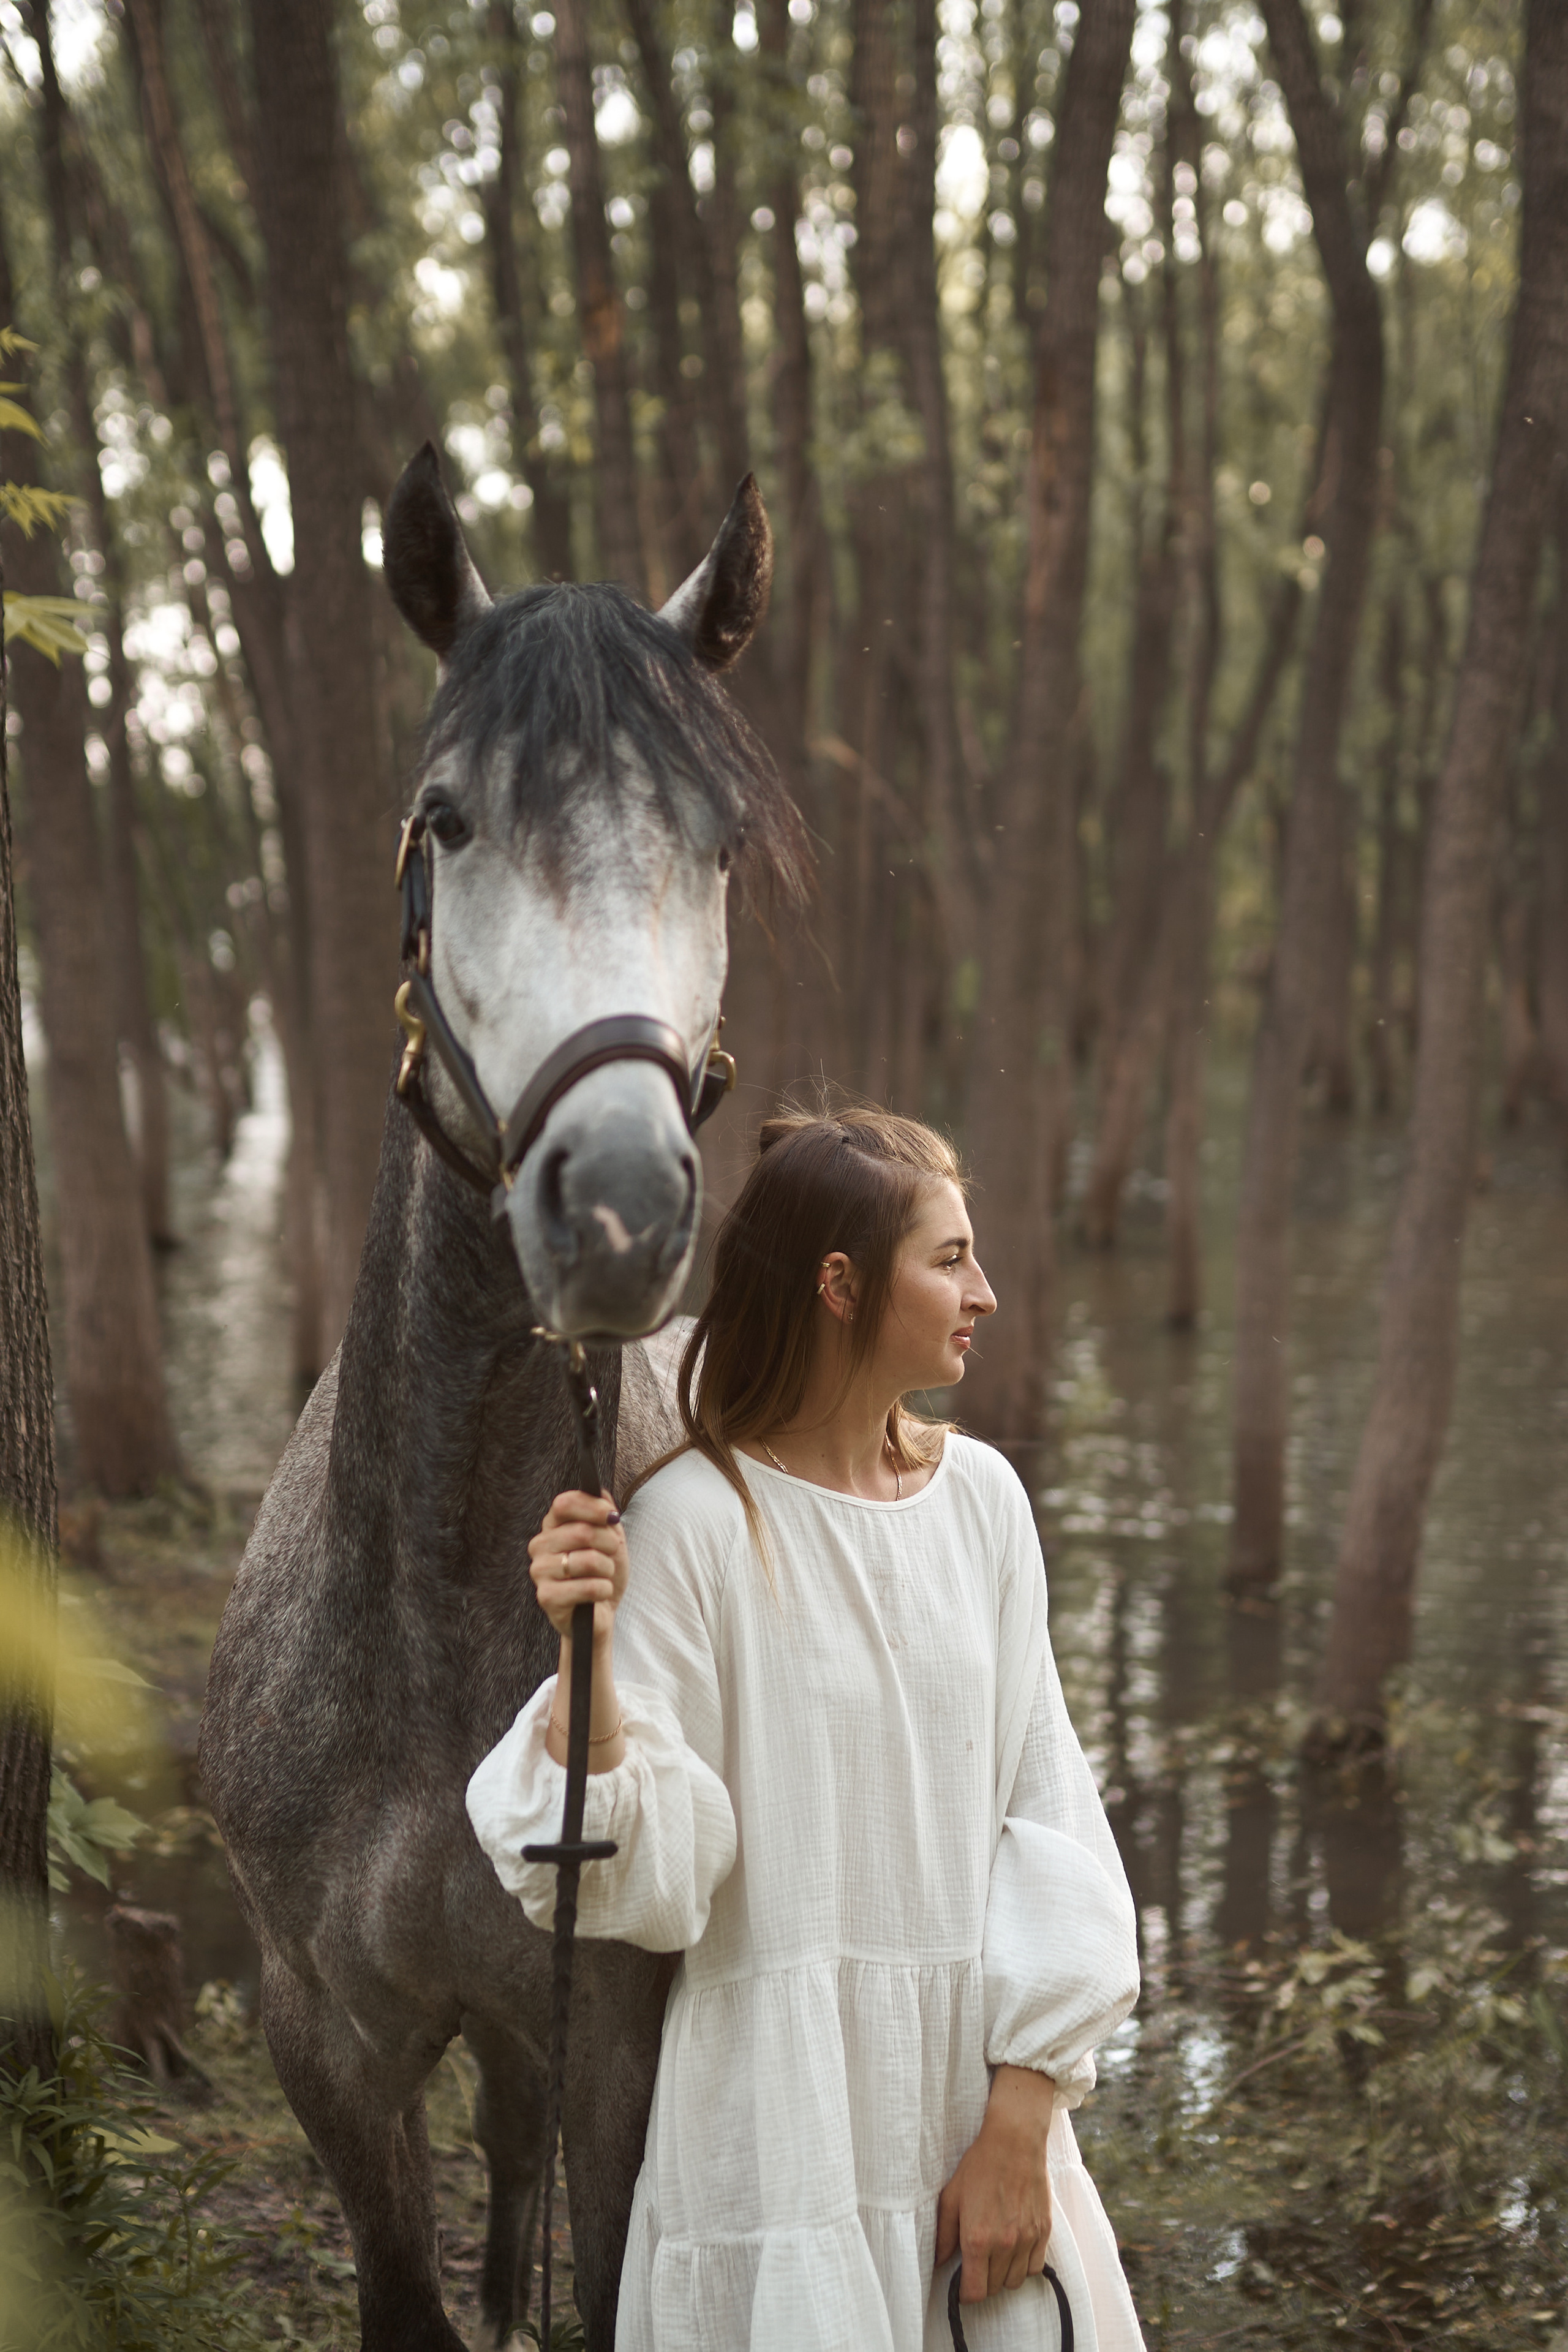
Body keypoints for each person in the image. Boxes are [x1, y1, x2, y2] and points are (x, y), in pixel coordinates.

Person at [467, 1108, 1145, 2351]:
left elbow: (1046, 1818)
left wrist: (1020, 2122)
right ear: (837, 1284)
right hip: (774, 2147)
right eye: (946, 1259)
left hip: (974, 2117)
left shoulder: (983, 1503)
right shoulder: (692, 1522)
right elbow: (645, 1878)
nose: (982, 1293)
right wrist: (584, 1652)